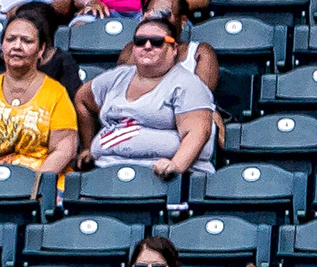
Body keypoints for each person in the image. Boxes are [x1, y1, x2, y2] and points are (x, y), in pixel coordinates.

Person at [79, 16, 216, 177]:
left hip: (159, 178)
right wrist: (88, 148)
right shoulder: (116, 77)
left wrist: (175, 166)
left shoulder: (187, 83)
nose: (147, 46)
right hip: (106, 172)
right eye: (140, 41)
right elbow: (83, 100)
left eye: (157, 41)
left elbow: (198, 132)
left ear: (173, 49)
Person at [0, 10, 78, 178]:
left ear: (41, 49)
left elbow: (64, 149)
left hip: (39, 185)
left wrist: (32, 184)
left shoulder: (57, 94)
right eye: (10, 39)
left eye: (27, 41)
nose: (17, 46)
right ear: (2, 46)